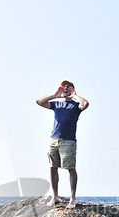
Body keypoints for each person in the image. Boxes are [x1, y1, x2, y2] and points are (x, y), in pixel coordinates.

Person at [36, 80, 89, 208]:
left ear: (72, 89)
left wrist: (74, 95)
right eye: (63, 86)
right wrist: (55, 95)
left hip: (68, 141)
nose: (65, 88)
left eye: (68, 87)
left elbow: (85, 104)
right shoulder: (57, 103)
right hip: (53, 140)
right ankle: (55, 196)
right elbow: (39, 102)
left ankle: (72, 198)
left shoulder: (76, 105)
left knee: (71, 169)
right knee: (52, 168)